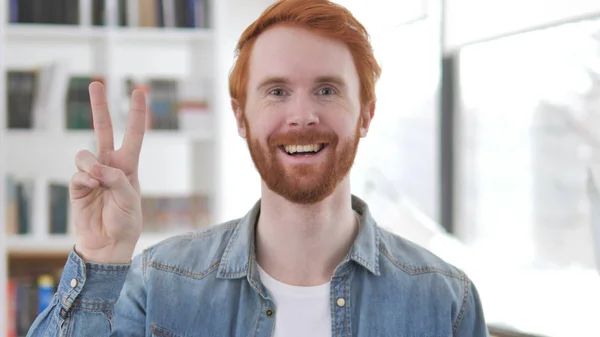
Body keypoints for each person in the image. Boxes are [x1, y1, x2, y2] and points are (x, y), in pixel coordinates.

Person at [27, 0, 489, 336]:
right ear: (241, 116)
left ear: (365, 114)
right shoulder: (158, 284)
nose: (302, 115)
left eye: (327, 90)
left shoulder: (446, 303)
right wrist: (99, 255)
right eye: (276, 91)